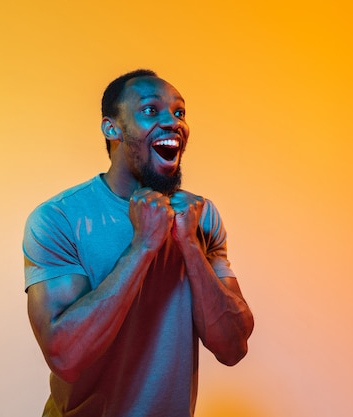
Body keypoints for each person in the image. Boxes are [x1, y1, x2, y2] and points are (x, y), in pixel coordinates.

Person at [23, 69, 254, 417]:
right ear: (111, 128)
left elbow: (233, 347)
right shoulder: (59, 218)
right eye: (151, 110)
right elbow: (64, 357)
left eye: (179, 112)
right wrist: (143, 247)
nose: (172, 122)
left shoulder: (201, 218)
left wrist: (190, 245)